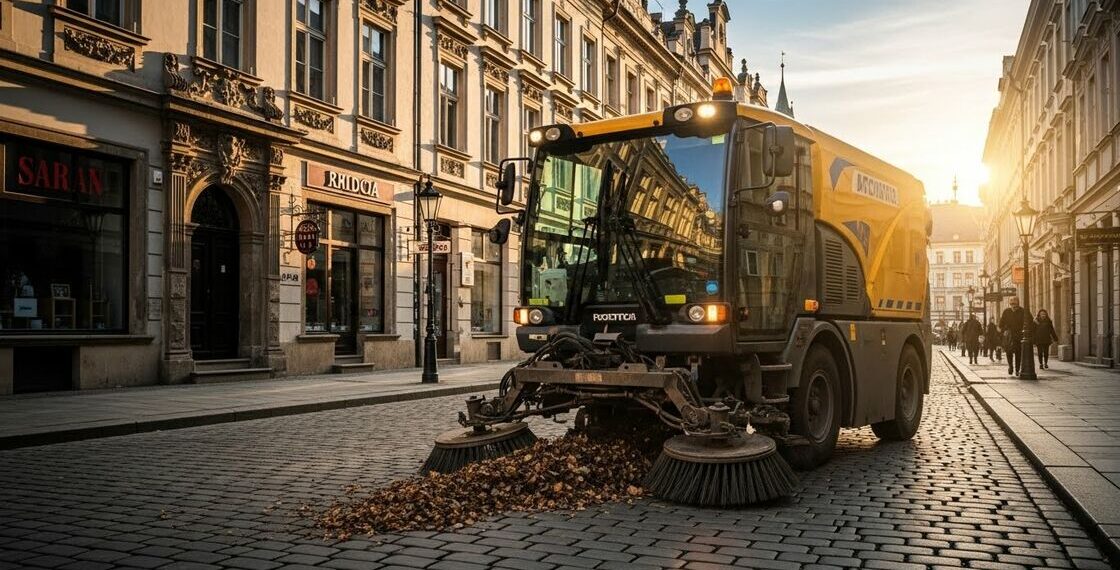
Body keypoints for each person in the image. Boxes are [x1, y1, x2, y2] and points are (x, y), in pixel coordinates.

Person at [1000, 297, 1026, 376]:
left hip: (1019, 335)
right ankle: (1010, 366)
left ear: (1018, 302)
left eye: (1014, 301)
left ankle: (1017, 369)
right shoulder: (1006, 311)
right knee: (1009, 352)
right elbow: (1001, 324)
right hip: (1009, 336)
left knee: (1018, 353)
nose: (1012, 303)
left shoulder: (1023, 311)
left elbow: (1028, 322)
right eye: (1011, 301)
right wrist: (1005, 330)